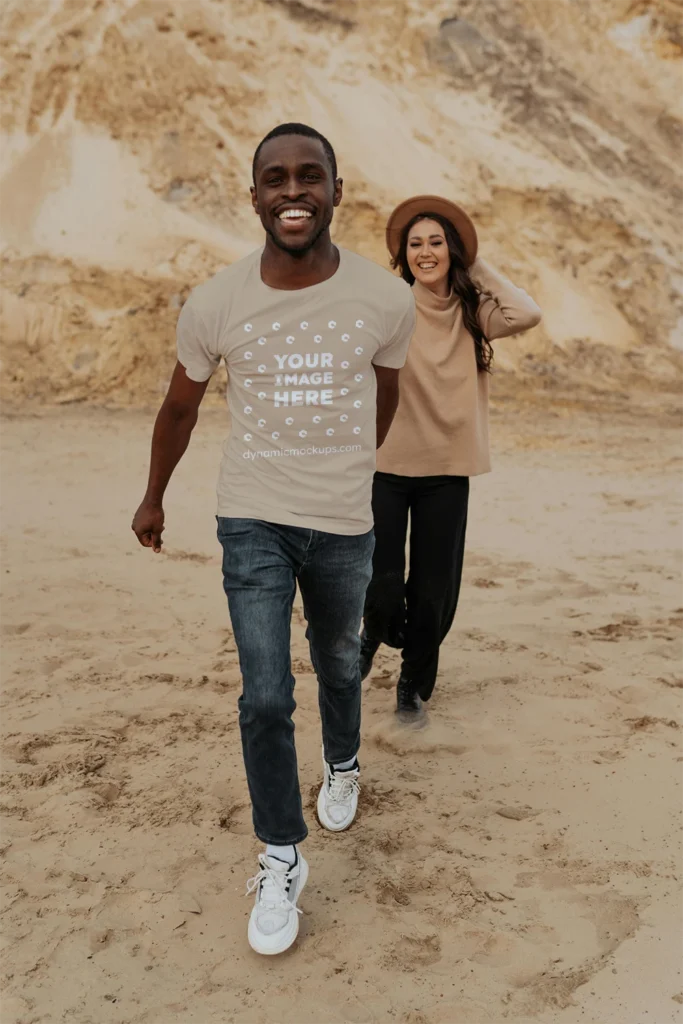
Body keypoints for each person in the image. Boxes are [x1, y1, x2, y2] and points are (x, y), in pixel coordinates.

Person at [131, 124, 415, 955]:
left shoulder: (383, 299)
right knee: (262, 693)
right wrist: (153, 496)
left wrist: (355, 469)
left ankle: (342, 762)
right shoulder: (215, 300)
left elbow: (383, 397)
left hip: (342, 523)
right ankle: (280, 853)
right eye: (275, 179)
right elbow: (180, 407)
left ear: (336, 189)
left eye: (309, 177)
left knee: (336, 662)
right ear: (253, 195)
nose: (293, 192)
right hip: (250, 516)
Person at [360, 195, 542, 721]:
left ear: (452, 249)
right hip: (387, 467)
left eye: (436, 242)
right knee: (382, 579)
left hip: (447, 470)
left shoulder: (474, 311)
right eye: (414, 244)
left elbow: (526, 313)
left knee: (433, 589)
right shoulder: (390, 304)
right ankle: (372, 629)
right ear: (403, 254)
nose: (425, 252)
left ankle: (411, 688)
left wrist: (474, 261)